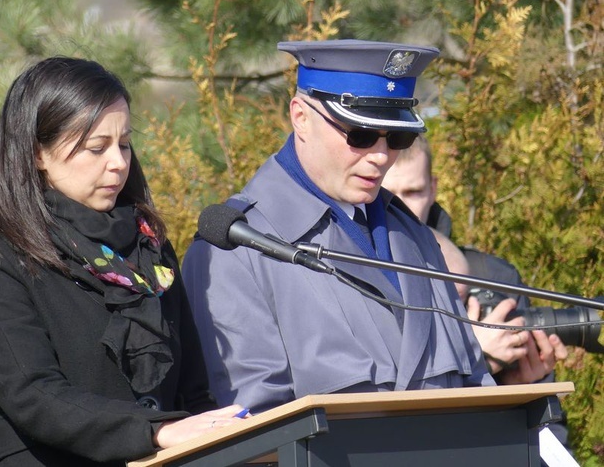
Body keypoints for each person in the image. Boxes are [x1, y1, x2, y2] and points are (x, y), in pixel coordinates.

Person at [0, 57, 247, 466]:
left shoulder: (149, 249)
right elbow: (35, 396)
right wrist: (155, 431)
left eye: (124, 143)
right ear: (37, 153)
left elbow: (193, 392)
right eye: (96, 147)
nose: (118, 162)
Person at [182, 39, 494, 414]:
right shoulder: (236, 249)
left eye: (397, 137)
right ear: (301, 117)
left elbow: (476, 388)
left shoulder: (413, 235)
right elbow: (253, 431)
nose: (381, 156)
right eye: (359, 135)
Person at [381, 134, 568, 383]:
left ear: (433, 189)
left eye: (413, 192)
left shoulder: (494, 276)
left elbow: (543, 416)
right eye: (388, 196)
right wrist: (473, 356)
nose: (400, 207)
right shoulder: (353, 272)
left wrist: (520, 387)